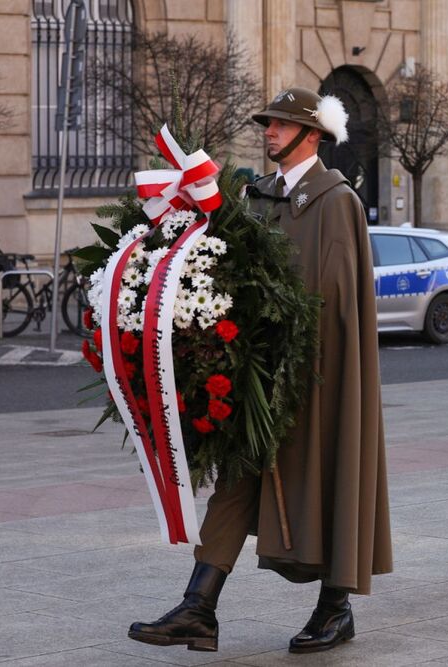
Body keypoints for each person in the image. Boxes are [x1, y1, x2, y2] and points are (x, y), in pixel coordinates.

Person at [127, 87, 392, 655]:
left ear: (312, 135)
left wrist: (294, 354)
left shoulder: (335, 198)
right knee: (236, 482)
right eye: (267, 123)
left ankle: (335, 607)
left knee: (326, 475)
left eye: (280, 124)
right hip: (253, 372)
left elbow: (334, 298)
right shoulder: (256, 197)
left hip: (311, 373)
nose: (269, 132)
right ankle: (198, 608)